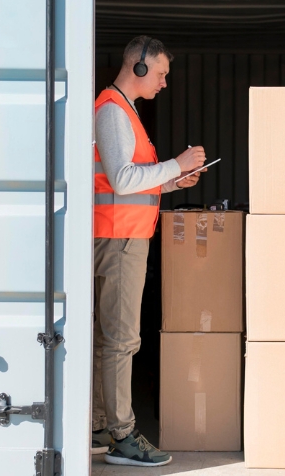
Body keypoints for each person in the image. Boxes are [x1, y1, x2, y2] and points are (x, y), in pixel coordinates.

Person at [92, 36, 207, 467]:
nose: (162, 83)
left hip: (121, 236)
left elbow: (131, 177)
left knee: (110, 339)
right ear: (138, 68)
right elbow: (122, 179)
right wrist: (176, 164)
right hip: (119, 240)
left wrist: (172, 182)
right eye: (159, 74)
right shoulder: (113, 111)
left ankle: (102, 424)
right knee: (122, 340)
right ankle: (122, 435)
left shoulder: (124, 111)